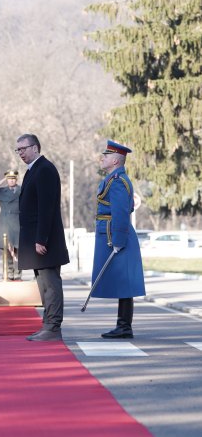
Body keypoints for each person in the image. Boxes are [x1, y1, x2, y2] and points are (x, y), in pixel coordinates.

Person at [15, 134, 69, 341]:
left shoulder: (45, 169)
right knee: (43, 284)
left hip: (45, 240)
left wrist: (41, 239)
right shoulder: (32, 170)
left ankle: (53, 327)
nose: (20, 153)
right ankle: (47, 324)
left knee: (51, 284)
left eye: (24, 148)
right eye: (18, 150)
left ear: (35, 148)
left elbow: (46, 208)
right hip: (36, 240)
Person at [91, 141, 145, 339]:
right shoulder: (113, 179)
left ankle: (124, 326)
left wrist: (118, 241)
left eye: (105, 156)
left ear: (115, 160)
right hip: (112, 234)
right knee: (123, 283)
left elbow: (121, 213)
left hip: (116, 236)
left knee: (125, 283)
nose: (102, 158)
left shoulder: (117, 181)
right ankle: (123, 325)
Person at [0, 170, 22, 280]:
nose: (11, 180)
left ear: (16, 179)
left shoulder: (22, 190)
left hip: (18, 222)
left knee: (18, 249)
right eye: (9, 179)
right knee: (7, 249)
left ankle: (18, 273)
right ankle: (9, 273)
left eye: (13, 178)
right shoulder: (1, 191)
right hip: (5, 222)